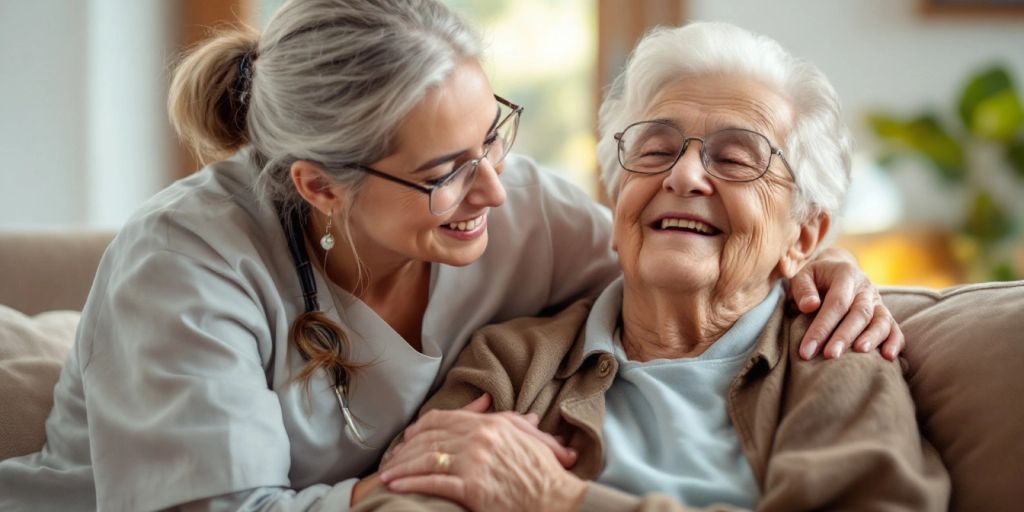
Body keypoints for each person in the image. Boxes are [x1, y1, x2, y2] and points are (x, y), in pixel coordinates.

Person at [0, 2, 901, 511]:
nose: (496, 193)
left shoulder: (526, 217)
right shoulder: (188, 264)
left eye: (493, 137)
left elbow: (678, 260)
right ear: (319, 187)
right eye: (445, 171)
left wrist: (814, 268)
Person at [367, 21, 950, 512]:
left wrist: (559, 499)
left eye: (735, 158)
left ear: (803, 235)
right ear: (618, 198)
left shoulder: (835, 362)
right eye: (654, 150)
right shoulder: (512, 363)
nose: (684, 176)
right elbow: (400, 497)